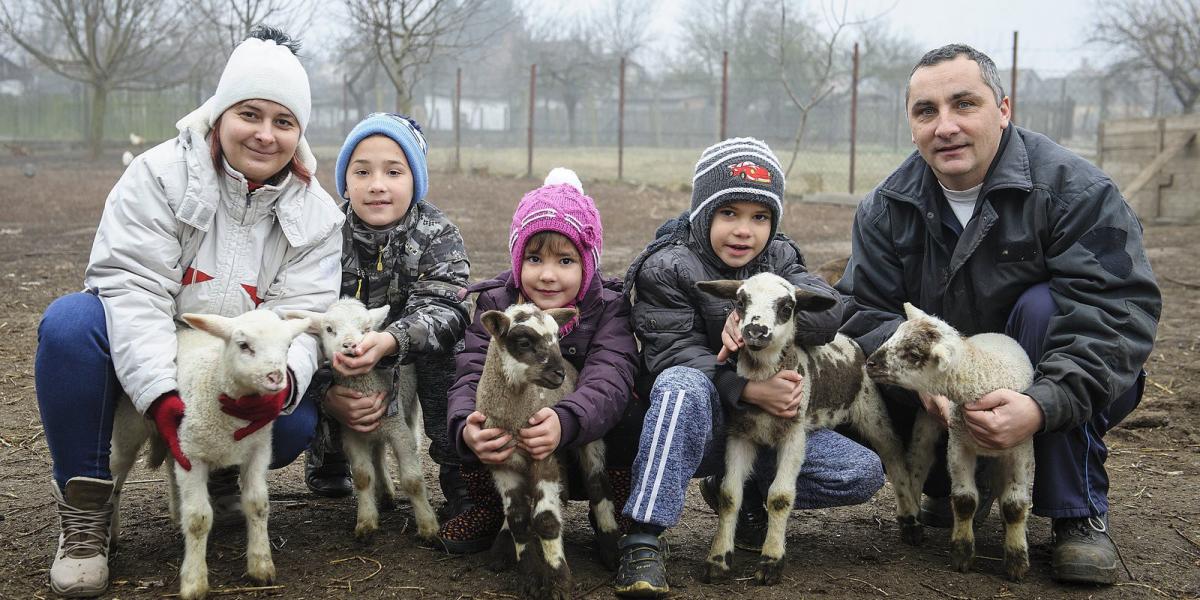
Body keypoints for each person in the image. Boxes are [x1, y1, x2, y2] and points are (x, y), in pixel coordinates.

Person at [33, 27, 344, 597]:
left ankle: (224, 474)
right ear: (220, 112)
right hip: (149, 356)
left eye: (283, 121)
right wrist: (160, 394)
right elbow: (132, 289)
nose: (264, 134)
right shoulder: (157, 177)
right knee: (70, 326)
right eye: (250, 113)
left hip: (229, 371)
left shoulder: (318, 216)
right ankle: (88, 509)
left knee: (295, 418)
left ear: (300, 132)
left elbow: (301, 315)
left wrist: (286, 382)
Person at [837, 43, 1161, 585]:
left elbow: (1116, 311)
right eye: (926, 111)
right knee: (859, 372)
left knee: (1044, 307)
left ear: (1004, 110)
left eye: (964, 104)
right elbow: (859, 308)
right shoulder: (886, 206)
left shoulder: (1074, 191)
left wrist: (1040, 404)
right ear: (911, 124)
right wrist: (924, 383)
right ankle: (960, 484)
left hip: (1049, 374)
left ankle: (1076, 511)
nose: (946, 126)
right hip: (941, 391)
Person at [613, 138, 886, 598]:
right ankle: (642, 536)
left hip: (770, 421)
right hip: (699, 423)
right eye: (729, 213)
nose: (744, 231)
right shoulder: (667, 266)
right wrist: (744, 386)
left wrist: (776, 317)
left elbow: (828, 311)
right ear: (703, 212)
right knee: (680, 383)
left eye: (759, 217)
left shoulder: (780, 258)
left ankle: (744, 495)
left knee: (860, 472)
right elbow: (667, 351)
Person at [442, 169, 642, 554]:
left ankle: (613, 509)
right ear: (518, 259)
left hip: (578, 436)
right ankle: (493, 507)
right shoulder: (497, 308)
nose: (548, 275)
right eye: (534, 258)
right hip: (517, 442)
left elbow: (609, 378)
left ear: (588, 265)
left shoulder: (607, 310)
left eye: (565, 261)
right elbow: (469, 372)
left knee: (629, 409)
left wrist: (567, 421)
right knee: (479, 417)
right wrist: (466, 429)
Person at [301, 112, 472, 519]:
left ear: (415, 181)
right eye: (362, 171)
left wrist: (391, 339)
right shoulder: (322, 234)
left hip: (404, 350)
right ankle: (330, 452)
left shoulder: (437, 234)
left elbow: (447, 306)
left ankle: (458, 472)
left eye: (394, 171)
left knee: (450, 352)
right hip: (342, 355)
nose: (377, 184)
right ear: (345, 181)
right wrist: (326, 392)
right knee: (305, 341)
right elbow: (299, 306)